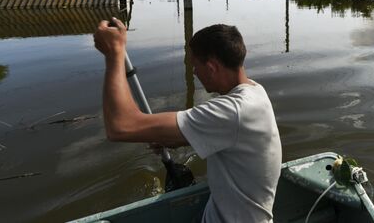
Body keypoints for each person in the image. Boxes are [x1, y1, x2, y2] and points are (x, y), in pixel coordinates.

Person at [93, 18, 282, 223]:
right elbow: (228, 134)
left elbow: (120, 126)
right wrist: (173, 137)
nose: (194, 72)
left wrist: (114, 53)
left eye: (195, 66)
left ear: (211, 67)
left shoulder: (233, 110)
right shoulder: (254, 92)